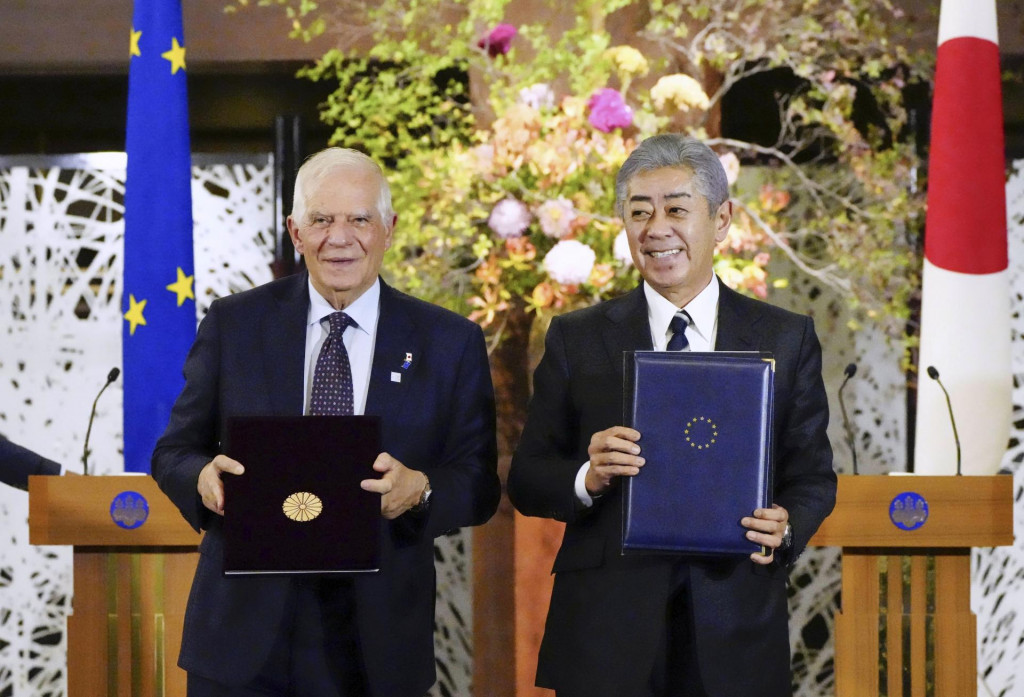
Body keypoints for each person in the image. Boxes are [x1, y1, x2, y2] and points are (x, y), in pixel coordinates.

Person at [152, 147, 500, 697]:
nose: (340, 238)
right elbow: (173, 451)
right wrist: (200, 477)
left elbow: (479, 482)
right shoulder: (235, 324)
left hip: (375, 640)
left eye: (359, 219)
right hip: (243, 636)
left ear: (388, 228)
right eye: (321, 220)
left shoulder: (448, 341)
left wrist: (423, 488)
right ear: (295, 231)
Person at [507, 133, 836, 697]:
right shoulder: (577, 338)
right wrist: (589, 475)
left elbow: (812, 477)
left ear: (723, 218)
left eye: (677, 209)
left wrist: (785, 526)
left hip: (734, 622)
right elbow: (527, 479)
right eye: (639, 212)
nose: (656, 229)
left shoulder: (784, 337)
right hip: (606, 629)